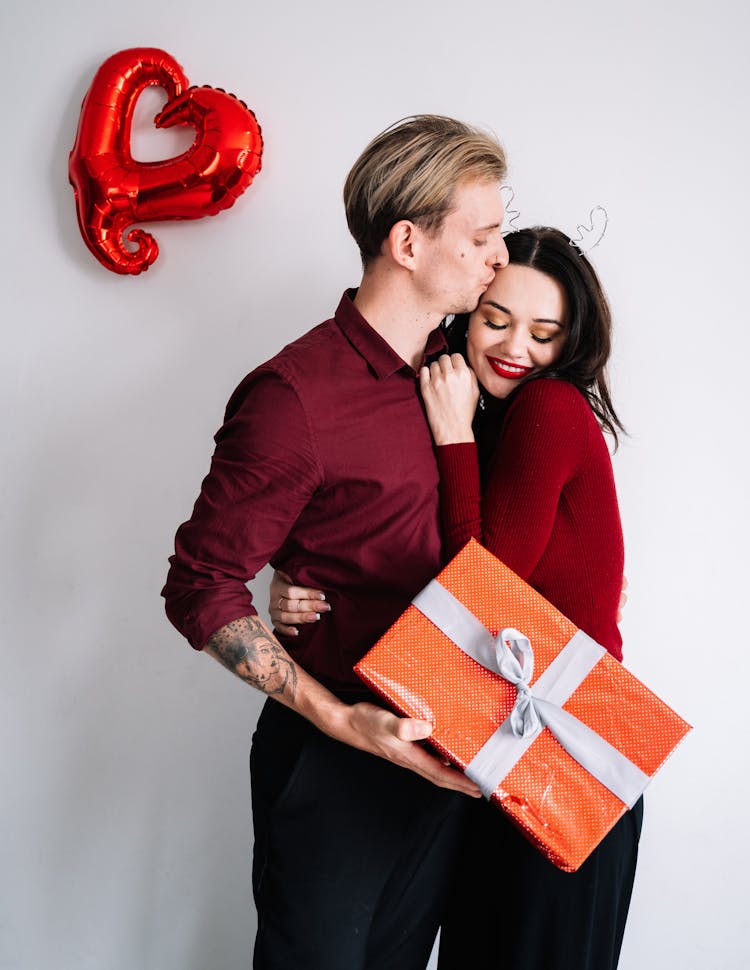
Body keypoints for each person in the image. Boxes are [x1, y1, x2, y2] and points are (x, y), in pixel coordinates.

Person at [161, 114, 509, 970]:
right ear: (407, 243)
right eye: (483, 235)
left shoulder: (461, 367)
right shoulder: (294, 400)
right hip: (336, 760)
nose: (499, 255)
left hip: (444, 758)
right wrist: (347, 723)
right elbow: (199, 586)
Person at [272, 226, 641, 970]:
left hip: (565, 756)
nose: (515, 348)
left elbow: (483, 586)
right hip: (497, 752)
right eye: (496, 319)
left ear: (570, 343)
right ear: (468, 310)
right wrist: (293, 578)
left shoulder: (548, 409)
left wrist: (452, 436)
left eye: (545, 332)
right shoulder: (481, 411)